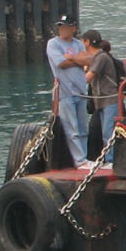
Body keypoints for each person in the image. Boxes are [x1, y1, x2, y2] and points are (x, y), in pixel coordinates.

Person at [46, 14, 94, 168]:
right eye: (60, 26)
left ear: (73, 28)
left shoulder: (78, 44)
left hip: (81, 91)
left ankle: (85, 158)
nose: (62, 29)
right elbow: (60, 63)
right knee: (71, 128)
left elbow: (88, 60)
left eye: (66, 26)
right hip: (65, 93)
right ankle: (79, 161)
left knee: (83, 127)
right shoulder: (53, 44)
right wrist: (76, 60)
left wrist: (71, 58)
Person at [82, 30, 121, 165]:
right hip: (101, 102)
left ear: (87, 42)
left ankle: (110, 160)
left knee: (107, 132)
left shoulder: (101, 57)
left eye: (83, 41)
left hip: (109, 100)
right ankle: (105, 158)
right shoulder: (94, 58)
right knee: (102, 131)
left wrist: (72, 84)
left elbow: (89, 77)